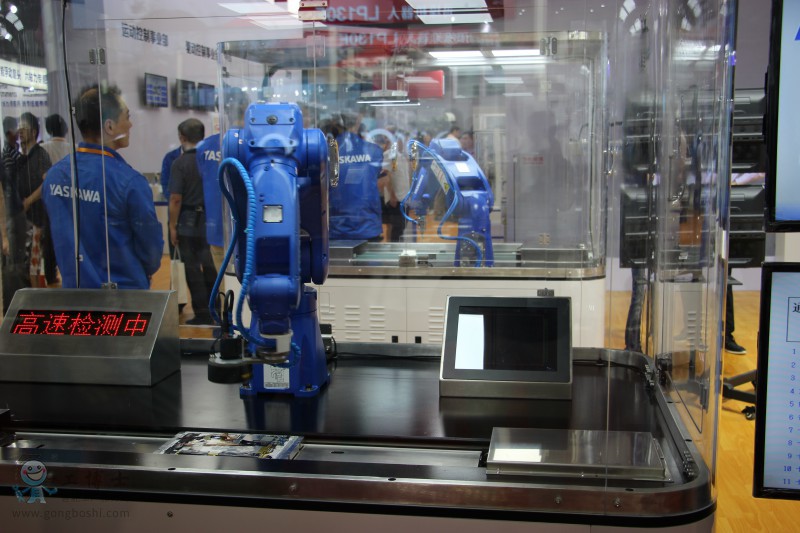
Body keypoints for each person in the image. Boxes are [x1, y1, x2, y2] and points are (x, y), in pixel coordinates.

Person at [43, 84, 163, 289]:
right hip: (126, 296)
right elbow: (151, 250)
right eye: (127, 117)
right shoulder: (129, 182)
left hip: (76, 295)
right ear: (110, 127)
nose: (130, 124)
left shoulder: (55, 177)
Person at [169, 118, 217, 325]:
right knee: (211, 267)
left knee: (192, 269)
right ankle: (217, 309)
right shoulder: (212, 160)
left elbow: (175, 198)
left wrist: (172, 226)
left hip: (188, 223)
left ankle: (202, 312)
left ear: (182, 137)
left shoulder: (180, 163)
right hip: (211, 220)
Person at [329, 111, 385, 241]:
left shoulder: (326, 151)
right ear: (358, 123)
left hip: (337, 227)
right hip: (368, 226)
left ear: (336, 124)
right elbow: (379, 181)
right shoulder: (374, 151)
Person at [15, 112, 53, 288]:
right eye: (19, 128)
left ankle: (36, 301)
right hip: (21, 221)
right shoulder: (19, 158)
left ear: (34, 131)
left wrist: (28, 201)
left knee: (34, 267)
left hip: (37, 219)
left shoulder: (40, 155)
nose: (20, 132)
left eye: (24, 128)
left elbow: (47, 183)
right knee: (25, 267)